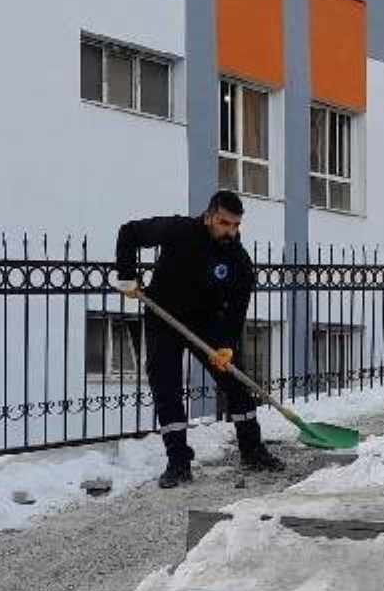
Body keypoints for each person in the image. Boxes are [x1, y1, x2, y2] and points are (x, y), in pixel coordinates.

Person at [113, 190, 285, 488]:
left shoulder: (238, 260)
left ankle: (252, 450)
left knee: (236, 381)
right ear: (208, 216)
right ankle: (178, 462)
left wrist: (227, 345)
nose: (230, 231)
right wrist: (127, 276)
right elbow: (129, 233)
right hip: (163, 318)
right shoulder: (178, 230)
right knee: (167, 389)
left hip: (207, 325)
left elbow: (237, 309)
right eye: (223, 223)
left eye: (235, 225)